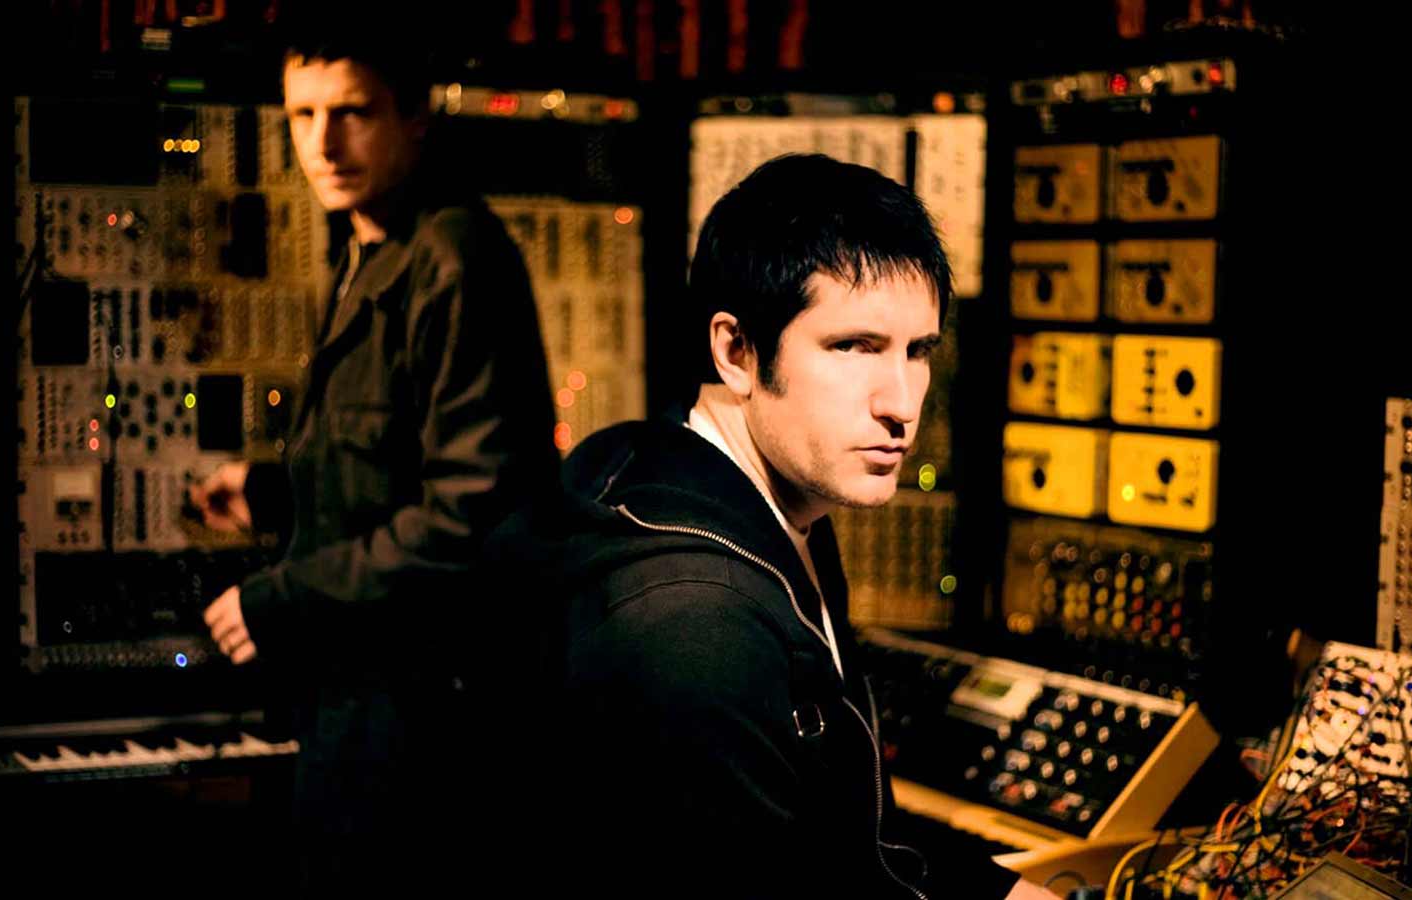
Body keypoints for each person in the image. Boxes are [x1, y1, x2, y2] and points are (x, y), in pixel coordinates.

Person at [485, 153, 1049, 897]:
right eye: (853, 347)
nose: (902, 404)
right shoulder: (696, 622)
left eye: (918, 352)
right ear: (736, 351)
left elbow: (844, 831)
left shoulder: (698, 480)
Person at [187, 14, 558, 887]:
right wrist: (275, 493)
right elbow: (390, 467)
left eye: (351, 112)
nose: (323, 144)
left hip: (424, 734)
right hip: (362, 710)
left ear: (414, 116)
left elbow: (467, 518)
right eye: (303, 115)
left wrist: (282, 599)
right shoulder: (368, 244)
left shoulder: (453, 257)